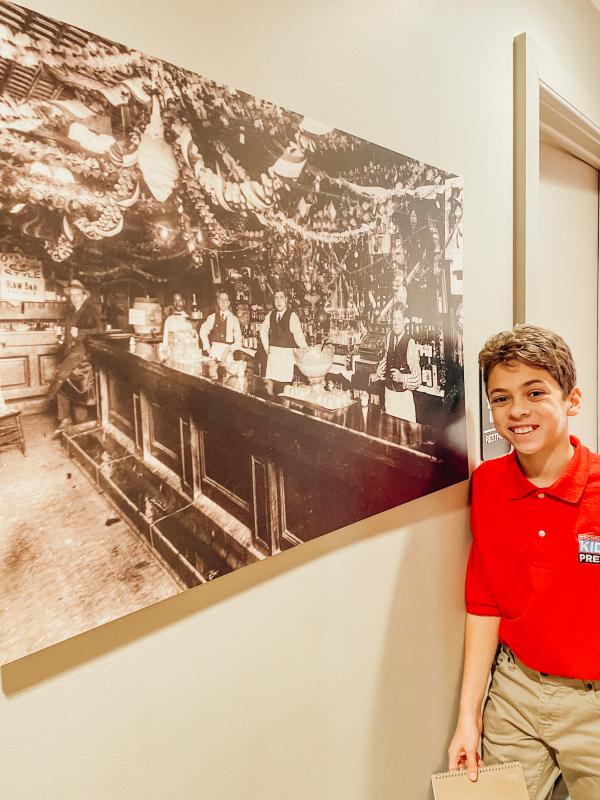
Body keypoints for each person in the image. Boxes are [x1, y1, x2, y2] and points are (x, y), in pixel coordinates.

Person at [447, 324, 600, 800]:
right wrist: (467, 719)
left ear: (571, 400)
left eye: (535, 392)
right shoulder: (488, 485)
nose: (516, 411)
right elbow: (484, 603)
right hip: (514, 691)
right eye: (500, 398)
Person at [47, 279, 102, 429]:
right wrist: (62, 337)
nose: (74, 298)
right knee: (64, 387)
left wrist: (81, 332)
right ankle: (66, 421)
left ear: (84, 296)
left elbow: (100, 331)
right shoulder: (72, 311)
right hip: (71, 355)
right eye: (72, 295)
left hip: (83, 359)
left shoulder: (90, 311)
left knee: (79, 393)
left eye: (77, 295)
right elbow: (69, 331)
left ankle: (80, 427)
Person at [369, 303, 420, 422]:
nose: (396, 322)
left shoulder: (410, 342)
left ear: (405, 321)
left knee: (405, 437)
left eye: (399, 319)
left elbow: (417, 379)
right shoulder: (390, 336)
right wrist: (377, 374)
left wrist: (402, 377)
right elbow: (386, 358)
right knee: (389, 434)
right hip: (389, 395)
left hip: (403, 399)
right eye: (394, 319)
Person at [259, 289, 307, 385]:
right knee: (270, 388)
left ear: (286, 299)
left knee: (284, 389)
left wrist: (307, 352)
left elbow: (299, 337)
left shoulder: (292, 316)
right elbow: (263, 329)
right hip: (273, 357)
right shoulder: (271, 315)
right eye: (276, 298)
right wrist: (266, 347)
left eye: (281, 298)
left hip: (286, 358)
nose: (278, 301)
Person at [199, 290, 242, 360]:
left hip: (228, 353)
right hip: (214, 352)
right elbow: (203, 331)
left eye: (225, 300)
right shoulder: (212, 317)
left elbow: (239, 341)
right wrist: (207, 347)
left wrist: (229, 349)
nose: (223, 302)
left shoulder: (234, 319)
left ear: (229, 302)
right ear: (218, 301)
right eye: (221, 299)